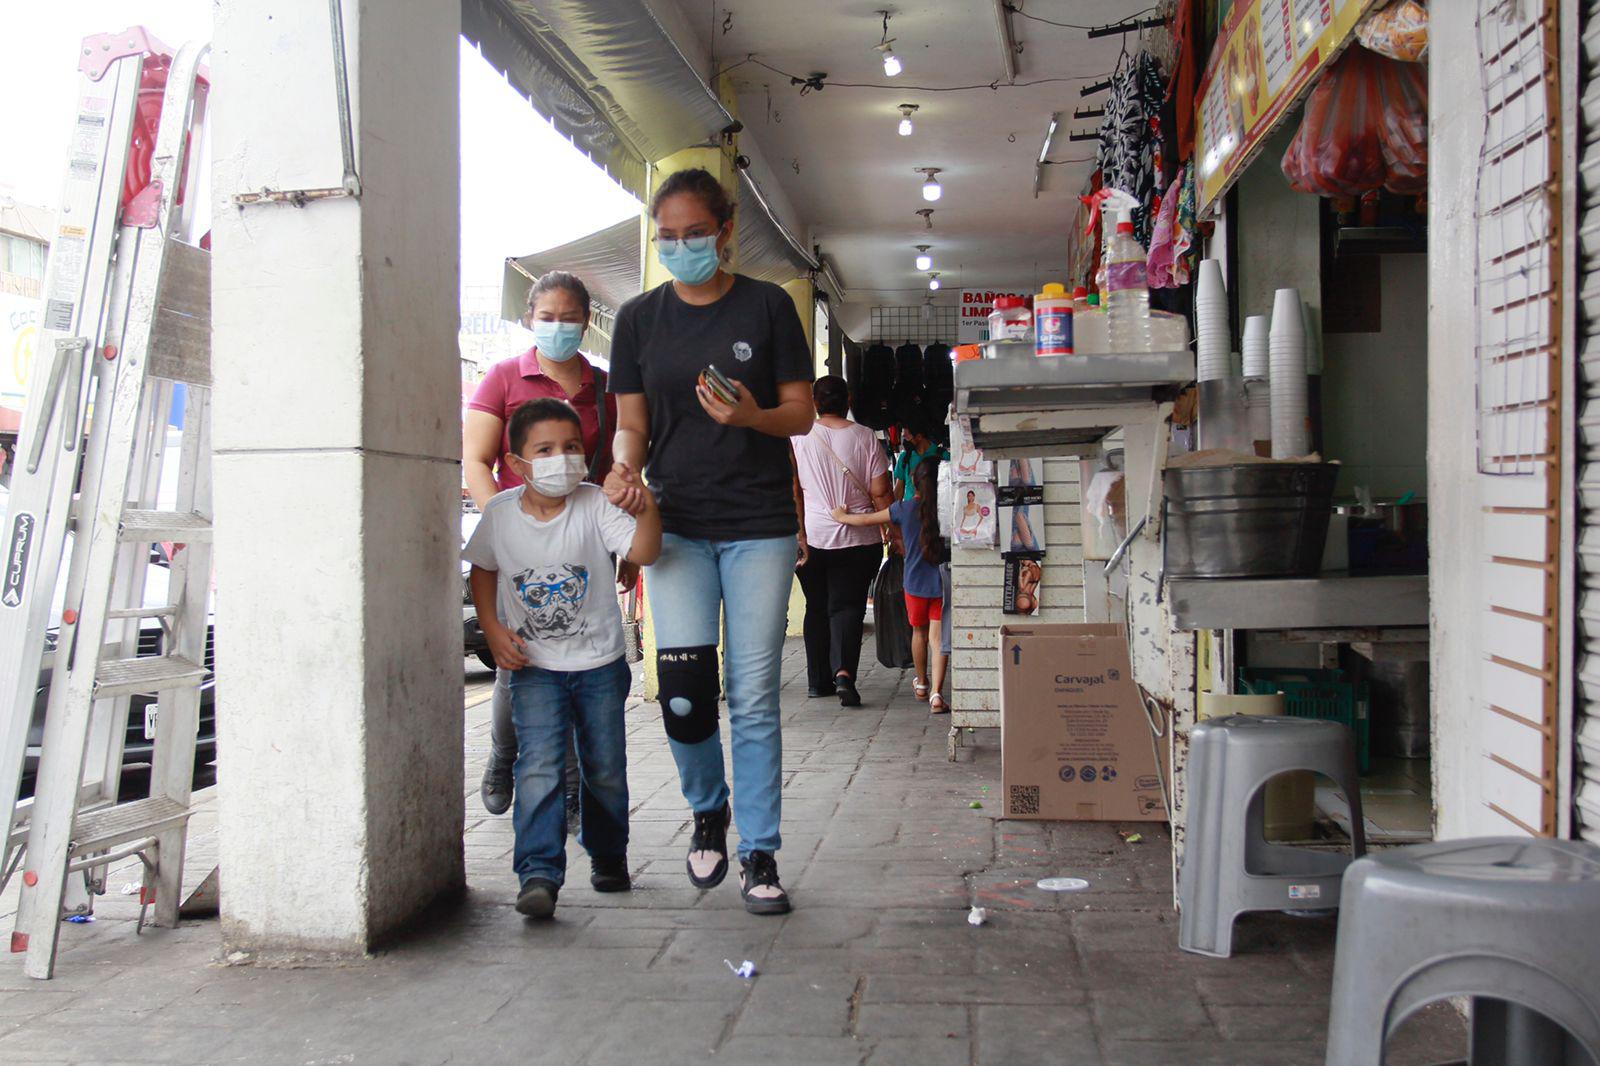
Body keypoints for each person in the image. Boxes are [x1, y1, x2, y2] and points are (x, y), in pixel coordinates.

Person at [604, 167, 815, 915]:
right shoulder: (637, 320)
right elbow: (632, 423)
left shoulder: (768, 307)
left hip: (758, 526)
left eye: (696, 233)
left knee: (753, 696)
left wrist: (753, 417)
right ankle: (708, 807)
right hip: (676, 526)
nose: (682, 246)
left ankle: (760, 850)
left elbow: (801, 416)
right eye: (668, 236)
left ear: (725, 232)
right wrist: (625, 471)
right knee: (686, 698)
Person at [465, 398, 662, 919]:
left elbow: (644, 552)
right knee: (541, 768)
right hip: (535, 669)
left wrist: (647, 508)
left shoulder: (596, 503)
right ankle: (538, 873)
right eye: (546, 449)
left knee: (604, 767)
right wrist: (492, 628)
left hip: (599, 664)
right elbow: (481, 571)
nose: (563, 458)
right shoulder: (501, 514)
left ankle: (607, 853)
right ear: (516, 463)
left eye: (572, 447)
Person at [464, 271, 624, 820]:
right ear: (530, 318)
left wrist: (618, 544)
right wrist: (504, 529)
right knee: (519, 659)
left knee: (584, 660)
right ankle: (502, 755)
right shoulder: (504, 378)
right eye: (547, 316)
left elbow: (611, 472)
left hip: (583, 546)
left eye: (570, 316)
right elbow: (475, 461)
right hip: (519, 547)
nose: (558, 326)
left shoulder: (604, 389)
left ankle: (575, 787)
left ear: (587, 321)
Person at [790, 375, 892, 707]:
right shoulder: (865, 437)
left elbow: (793, 491)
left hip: (813, 537)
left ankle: (818, 682)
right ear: (848, 400)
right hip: (859, 538)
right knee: (847, 606)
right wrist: (891, 529)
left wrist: (800, 534)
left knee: (816, 607)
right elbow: (880, 493)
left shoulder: (799, 437)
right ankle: (844, 674)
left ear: (815, 402)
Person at [833, 458, 950, 714]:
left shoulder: (903, 509)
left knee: (918, 634)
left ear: (913, 482)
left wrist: (842, 516)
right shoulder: (947, 510)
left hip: (914, 584)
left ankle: (921, 683)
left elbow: (868, 520)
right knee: (938, 639)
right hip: (941, 584)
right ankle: (937, 695)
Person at [891, 426, 948, 502]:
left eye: (907, 437)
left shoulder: (943, 455)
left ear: (919, 437)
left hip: (934, 509)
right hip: (910, 511)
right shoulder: (905, 457)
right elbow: (899, 489)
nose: (904, 441)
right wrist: (895, 510)